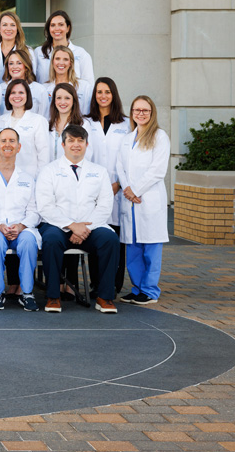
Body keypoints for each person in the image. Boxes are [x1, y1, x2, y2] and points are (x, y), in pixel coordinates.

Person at [36, 124, 119, 314]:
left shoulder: (99, 171)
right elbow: (45, 206)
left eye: (80, 140)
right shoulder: (49, 171)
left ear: (87, 144)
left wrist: (83, 229)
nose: (76, 145)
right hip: (59, 226)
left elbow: (105, 205)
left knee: (110, 240)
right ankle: (53, 296)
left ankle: (104, 297)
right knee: (50, 240)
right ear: (63, 144)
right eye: (71, 140)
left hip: (91, 227)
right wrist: (72, 226)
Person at [0, 127, 42, 312]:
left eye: (12, 141)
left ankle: (27, 293)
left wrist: (21, 226)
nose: (7, 144)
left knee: (29, 241)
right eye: (4, 140)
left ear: (19, 147)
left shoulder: (27, 179)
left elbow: (35, 211)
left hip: (21, 230)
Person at [116, 96, 170, 305]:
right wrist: (127, 189)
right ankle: (137, 288)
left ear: (152, 112)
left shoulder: (159, 136)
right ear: (132, 113)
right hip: (131, 201)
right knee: (134, 249)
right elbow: (119, 167)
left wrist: (135, 190)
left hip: (148, 200)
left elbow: (158, 170)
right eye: (137, 110)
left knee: (151, 249)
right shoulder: (127, 138)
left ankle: (149, 291)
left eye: (145, 110)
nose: (140, 113)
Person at [87, 77, 130, 292]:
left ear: (114, 95)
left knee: (116, 238)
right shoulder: (86, 122)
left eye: (107, 92)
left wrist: (119, 184)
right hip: (92, 190)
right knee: (96, 236)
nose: (103, 96)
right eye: (99, 92)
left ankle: (114, 284)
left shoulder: (126, 123)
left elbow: (130, 158)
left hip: (118, 189)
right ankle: (96, 283)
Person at [0, 80, 50, 176]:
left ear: (27, 96)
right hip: (4, 176)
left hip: (30, 177)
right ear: (8, 96)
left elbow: (44, 155)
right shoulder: (0, 121)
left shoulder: (39, 121)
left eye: (21, 93)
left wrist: (40, 179)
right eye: (13, 93)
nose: (17, 96)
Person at [47, 83, 104, 165]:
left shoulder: (83, 125)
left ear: (74, 101)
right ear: (54, 101)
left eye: (67, 98)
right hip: (50, 173)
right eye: (59, 98)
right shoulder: (47, 124)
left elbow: (87, 153)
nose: (62, 102)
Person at [33, 10, 95, 83]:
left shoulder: (81, 54)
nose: (56, 28)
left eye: (61, 24)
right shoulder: (38, 52)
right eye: (53, 25)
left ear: (68, 28)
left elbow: (89, 85)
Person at [43, 45, 93, 115]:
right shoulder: (44, 89)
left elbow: (89, 114)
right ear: (52, 62)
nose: (61, 63)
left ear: (71, 63)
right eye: (57, 59)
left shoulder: (84, 87)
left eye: (65, 59)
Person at [2, 48, 48, 116]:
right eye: (11, 63)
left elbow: (44, 117)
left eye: (19, 63)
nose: (14, 67)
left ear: (26, 67)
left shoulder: (40, 90)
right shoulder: (0, 89)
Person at [0, 12, 29, 82]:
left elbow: (30, 78)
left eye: (12, 25)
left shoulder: (27, 52)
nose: (8, 29)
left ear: (17, 29)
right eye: (4, 25)